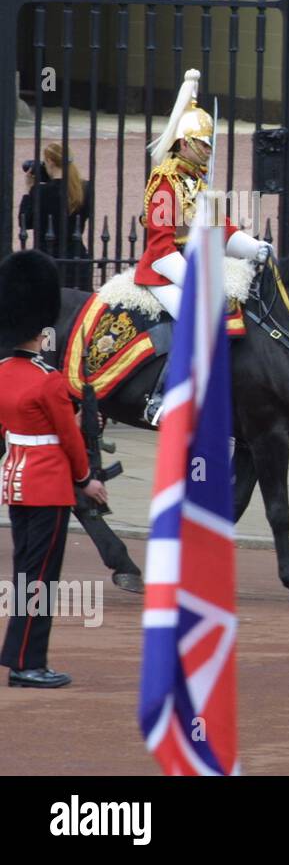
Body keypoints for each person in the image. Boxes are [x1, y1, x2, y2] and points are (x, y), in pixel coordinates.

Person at [136, 70, 270, 424]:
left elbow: (222, 230)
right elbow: (161, 247)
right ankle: (160, 397)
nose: (209, 150)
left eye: (209, 143)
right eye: (203, 143)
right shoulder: (165, 183)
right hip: (162, 272)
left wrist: (257, 249)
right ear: (184, 143)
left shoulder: (195, 182)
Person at [0, 251, 109, 689]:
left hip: (16, 483)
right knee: (41, 578)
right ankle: (28, 662)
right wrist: (87, 480)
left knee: (27, 572)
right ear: (41, 330)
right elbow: (70, 439)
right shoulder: (49, 380)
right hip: (49, 486)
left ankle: (18, 652)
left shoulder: (4, 372)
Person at [19, 143, 92, 291]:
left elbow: (25, 222)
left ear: (51, 162)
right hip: (76, 259)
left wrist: (28, 190)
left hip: (46, 260)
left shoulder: (41, 191)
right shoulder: (86, 188)